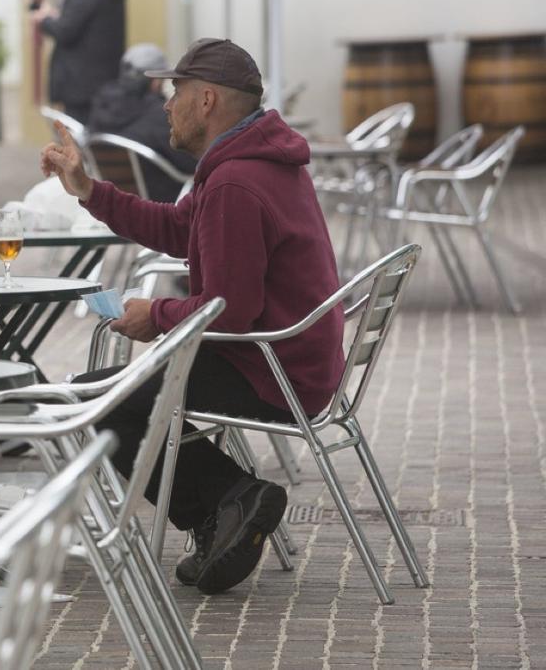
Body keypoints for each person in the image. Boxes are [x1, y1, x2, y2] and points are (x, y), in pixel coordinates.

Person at [41, 37, 345, 595]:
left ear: (206, 101)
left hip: (268, 368)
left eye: (175, 91)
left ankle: (230, 501)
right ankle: (228, 503)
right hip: (283, 358)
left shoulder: (236, 180)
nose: (166, 104)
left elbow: (230, 312)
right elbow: (180, 229)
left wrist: (154, 314)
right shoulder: (245, 162)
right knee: (100, 395)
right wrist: (88, 190)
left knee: (94, 401)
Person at [31, 0, 126, 126]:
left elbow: (66, 30)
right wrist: (57, 16)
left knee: (77, 138)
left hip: (81, 84)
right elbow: (85, 22)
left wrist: (44, 20)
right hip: (101, 78)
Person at [87, 43, 197, 202]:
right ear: (156, 82)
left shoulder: (101, 105)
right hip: (159, 202)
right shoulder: (160, 116)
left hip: (112, 198)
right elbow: (191, 163)